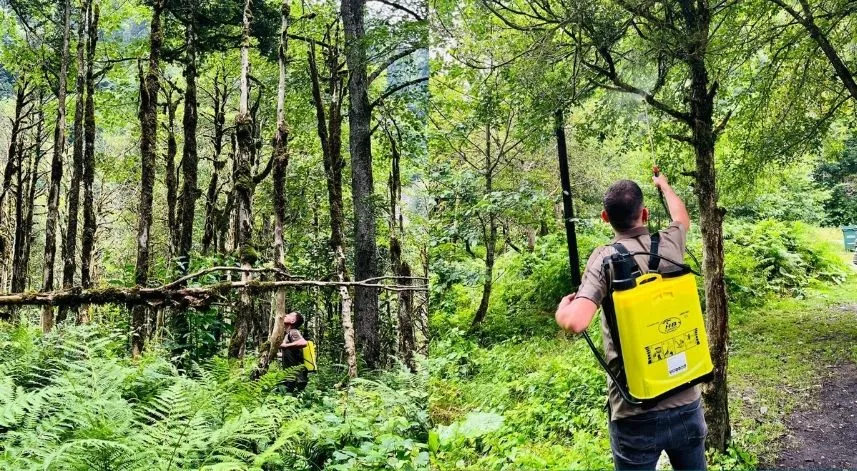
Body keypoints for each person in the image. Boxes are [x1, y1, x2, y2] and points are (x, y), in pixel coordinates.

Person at [555, 174, 708, 470]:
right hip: (686, 400)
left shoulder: (604, 259)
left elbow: (576, 322)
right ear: (644, 213)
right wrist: (664, 186)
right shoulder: (670, 242)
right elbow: (681, 217)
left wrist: (563, 309)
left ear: (605, 218)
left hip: (635, 411)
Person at [278, 311, 309, 393]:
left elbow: (303, 343)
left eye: (290, 315)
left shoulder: (293, 331)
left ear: (293, 321)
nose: (286, 315)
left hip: (296, 378)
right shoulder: (288, 334)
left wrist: (285, 346)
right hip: (293, 377)